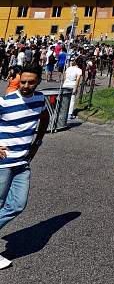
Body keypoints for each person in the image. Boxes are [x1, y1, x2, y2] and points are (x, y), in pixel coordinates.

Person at [0, 65, 49, 269]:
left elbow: (45, 118)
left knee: (18, 204)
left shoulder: (39, 99)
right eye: (23, 82)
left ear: (38, 82)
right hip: (3, 163)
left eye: (31, 82)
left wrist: (37, 142)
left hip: (22, 162)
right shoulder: (5, 101)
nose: (26, 86)